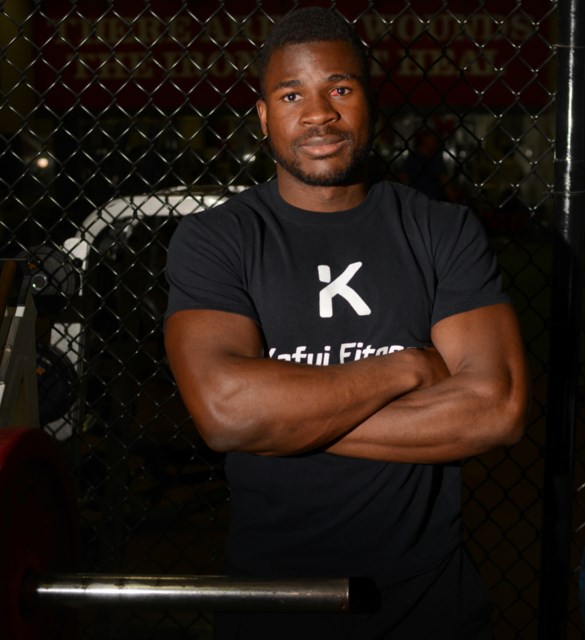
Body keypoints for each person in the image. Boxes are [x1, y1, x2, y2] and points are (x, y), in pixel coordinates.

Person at [164, 8, 529, 639]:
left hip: (426, 598)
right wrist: (408, 367)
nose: (318, 114)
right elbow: (226, 411)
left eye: (339, 88)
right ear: (263, 116)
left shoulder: (441, 230)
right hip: (271, 598)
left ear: (369, 100)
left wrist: (284, 419)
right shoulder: (217, 239)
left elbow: (496, 407)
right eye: (290, 94)